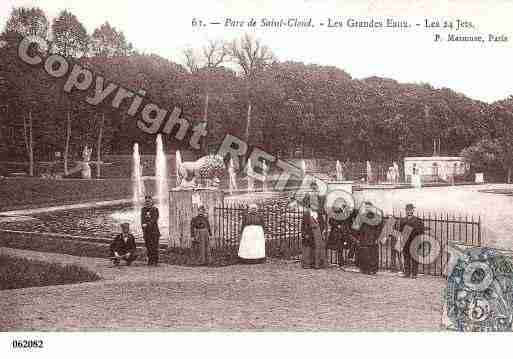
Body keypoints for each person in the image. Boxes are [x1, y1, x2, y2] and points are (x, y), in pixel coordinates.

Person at [398, 203, 425, 279]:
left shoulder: (418, 221)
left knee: (414, 258)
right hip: (405, 242)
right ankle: (407, 273)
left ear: (413, 210)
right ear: (406, 211)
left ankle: (414, 274)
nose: (409, 211)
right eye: (407, 210)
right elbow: (400, 232)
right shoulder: (402, 220)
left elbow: (421, 233)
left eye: (411, 209)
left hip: (415, 242)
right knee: (406, 257)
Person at [354, 201, 381, 275]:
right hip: (364, 238)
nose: (367, 208)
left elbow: (379, 228)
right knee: (364, 254)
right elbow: (356, 228)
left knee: (373, 255)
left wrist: (377, 238)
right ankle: (364, 269)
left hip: (373, 238)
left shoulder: (376, 216)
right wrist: (358, 237)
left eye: (369, 207)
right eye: (366, 207)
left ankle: (373, 269)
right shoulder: (361, 216)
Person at [141, 195, 160, 266]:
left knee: (154, 246)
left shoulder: (155, 209)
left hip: (154, 231)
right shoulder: (143, 209)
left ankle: (155, 260)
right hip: (146, 232)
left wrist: (147, 224)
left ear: (152, 201)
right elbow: (142, 219)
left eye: (149, 201)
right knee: (148, 246)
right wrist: (143, 228)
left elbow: (154, 219)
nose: (147, 203)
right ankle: (150, 260)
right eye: (146, 201)